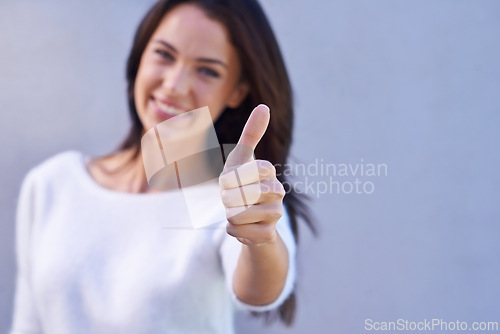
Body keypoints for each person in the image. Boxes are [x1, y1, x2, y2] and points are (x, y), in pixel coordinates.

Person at [10, 0, 315, 333]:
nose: (174, 84)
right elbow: (27, 323)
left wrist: (259, 239)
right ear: (140, 55)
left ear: (237, 91)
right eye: (164, 55)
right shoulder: (53, 184)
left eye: (207, 70)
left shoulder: (237, 195)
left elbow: (259, 292)